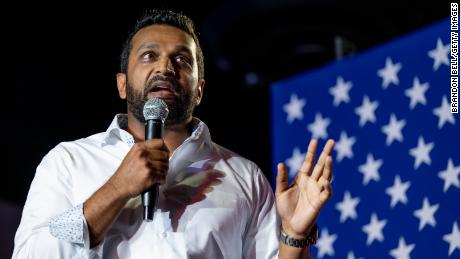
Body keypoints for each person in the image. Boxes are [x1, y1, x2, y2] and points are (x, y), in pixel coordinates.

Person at [12, 9, 335, 259]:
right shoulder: (69, 160)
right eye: (149, 55)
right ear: (122, 84)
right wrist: (117, 188)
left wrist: (293, 234)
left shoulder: (243, 175)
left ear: (199, 91)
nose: (165, 68)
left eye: (181, 59)